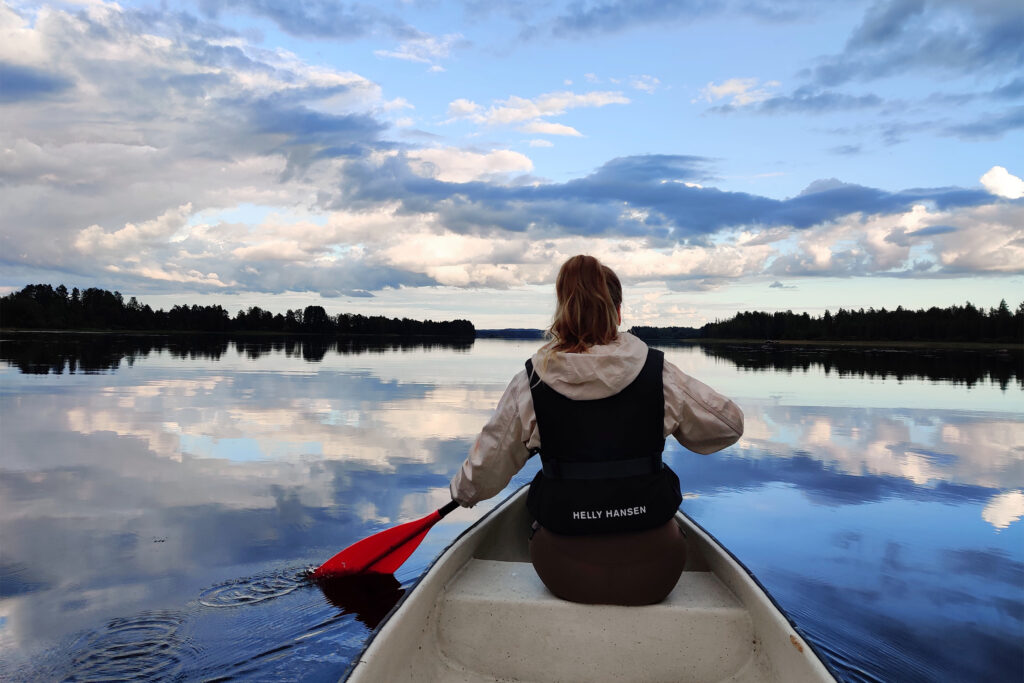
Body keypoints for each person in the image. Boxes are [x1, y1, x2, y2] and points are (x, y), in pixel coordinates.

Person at [449, 255, 744, 605]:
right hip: (655, 573)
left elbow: (484, 476)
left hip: (566, 574)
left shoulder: (529, 385)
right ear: (617, 312)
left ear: (562, 312)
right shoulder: (660, 375)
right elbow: (728, 426)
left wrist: (462, 493)